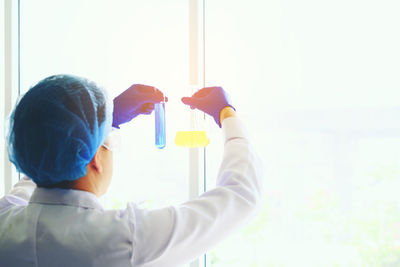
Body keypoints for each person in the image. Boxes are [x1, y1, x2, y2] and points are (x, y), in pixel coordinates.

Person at [0, 74, 263, 267]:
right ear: (94, 160)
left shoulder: (5, 223)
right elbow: (240, 196)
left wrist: (105, 122)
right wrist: (227, 114)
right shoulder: (126, 241)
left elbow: (42, 163)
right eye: (106, 141)